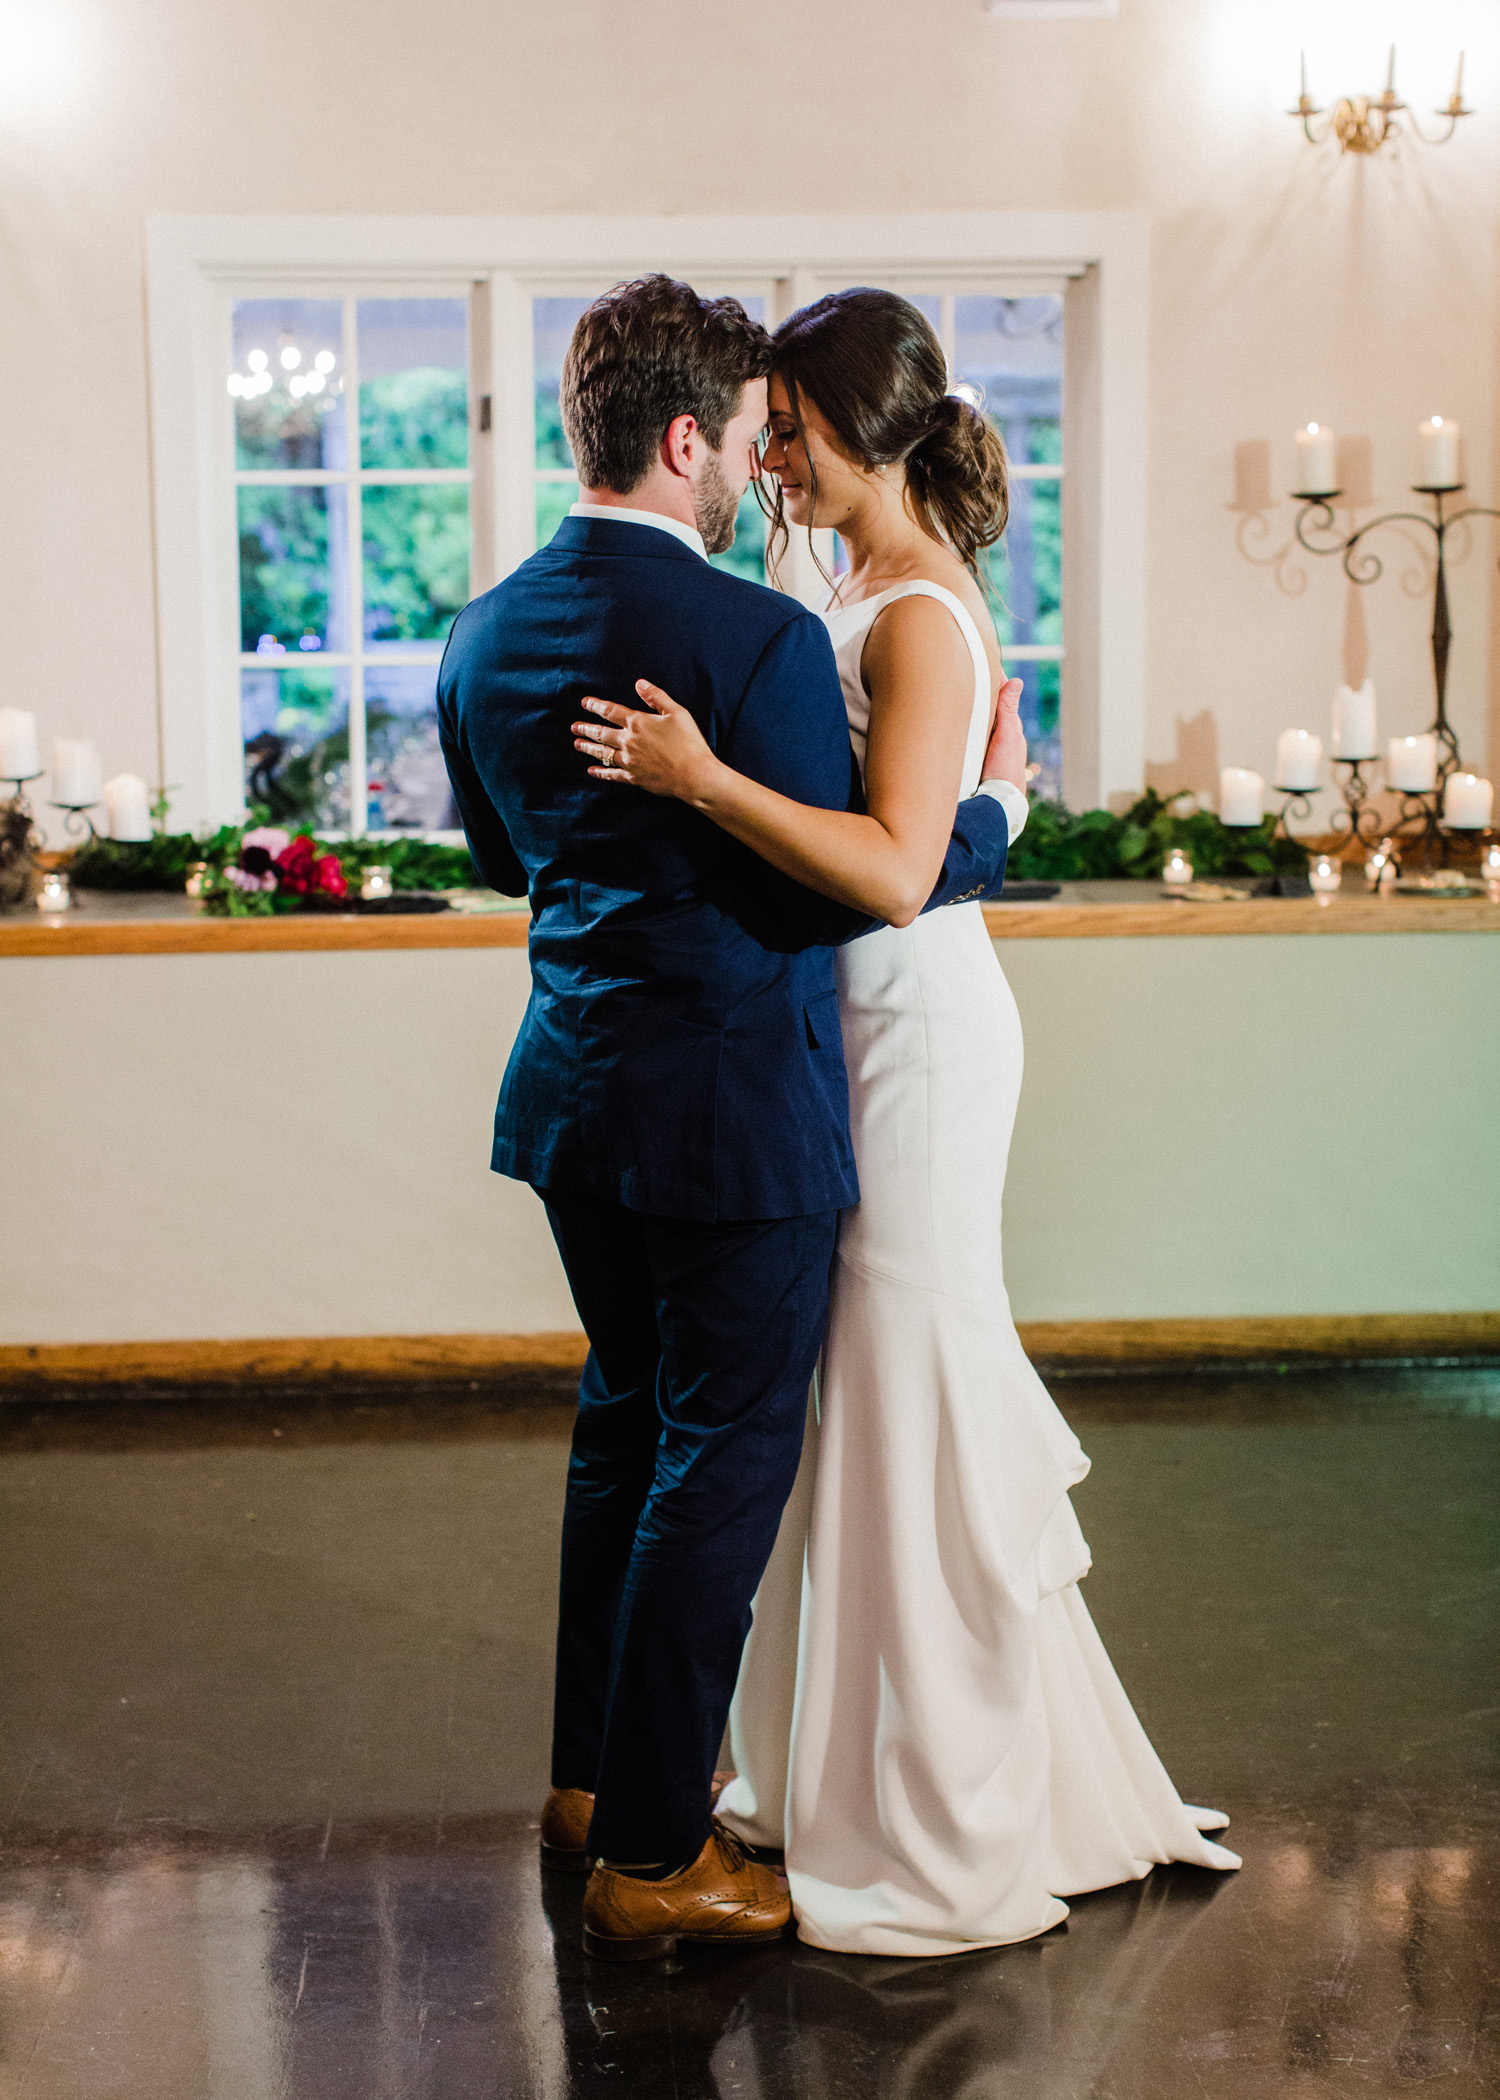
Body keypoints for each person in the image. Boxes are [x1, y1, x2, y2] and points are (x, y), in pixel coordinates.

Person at [571, 287, 1241, 1958]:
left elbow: (885, 867)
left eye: (788, 424)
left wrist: (704, 782)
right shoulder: (846, 592)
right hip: (840, 1027)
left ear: (867, 431)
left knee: (911, 1381)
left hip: (917, 1036)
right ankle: (852, 1775)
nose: (766, 451)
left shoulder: (921, 619)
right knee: (847, 1396)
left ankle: (940, 1807)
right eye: (762, 425)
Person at [436, 276, 1023, 1963]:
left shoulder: (482, 631)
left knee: (622, 1423)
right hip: (731, 1120)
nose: (759, 467)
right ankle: (651, 1854)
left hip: (570, 1102)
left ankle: (584, 1782)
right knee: (719, 1457)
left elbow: (505, 861)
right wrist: (990, 812)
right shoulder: (757, 642)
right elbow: (855, 888)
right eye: (745, 441)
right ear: (686, 438)